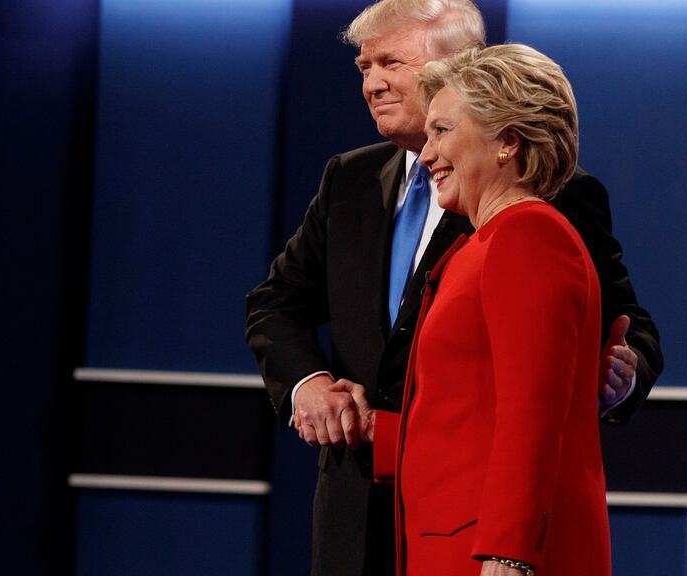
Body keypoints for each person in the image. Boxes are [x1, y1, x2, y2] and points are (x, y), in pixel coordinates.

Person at [244, 1, 661, 574]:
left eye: (389, 61)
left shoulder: (531, 220)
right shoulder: (354, 180)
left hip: (482, 530)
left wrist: (508, 552)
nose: (370, 83)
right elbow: (277, 303)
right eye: (363, 67)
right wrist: (317, 393)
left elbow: (532, 410)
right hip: (366, 512)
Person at [356, 43, 611, 576]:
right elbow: (465, 417)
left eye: (443, 131)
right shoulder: (476, 245)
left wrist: (509, 550)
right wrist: (368, 429)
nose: (425, 156)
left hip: (490, 554)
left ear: (507, 142)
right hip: (450, 543)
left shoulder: (529, 236)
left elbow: (531, 415)